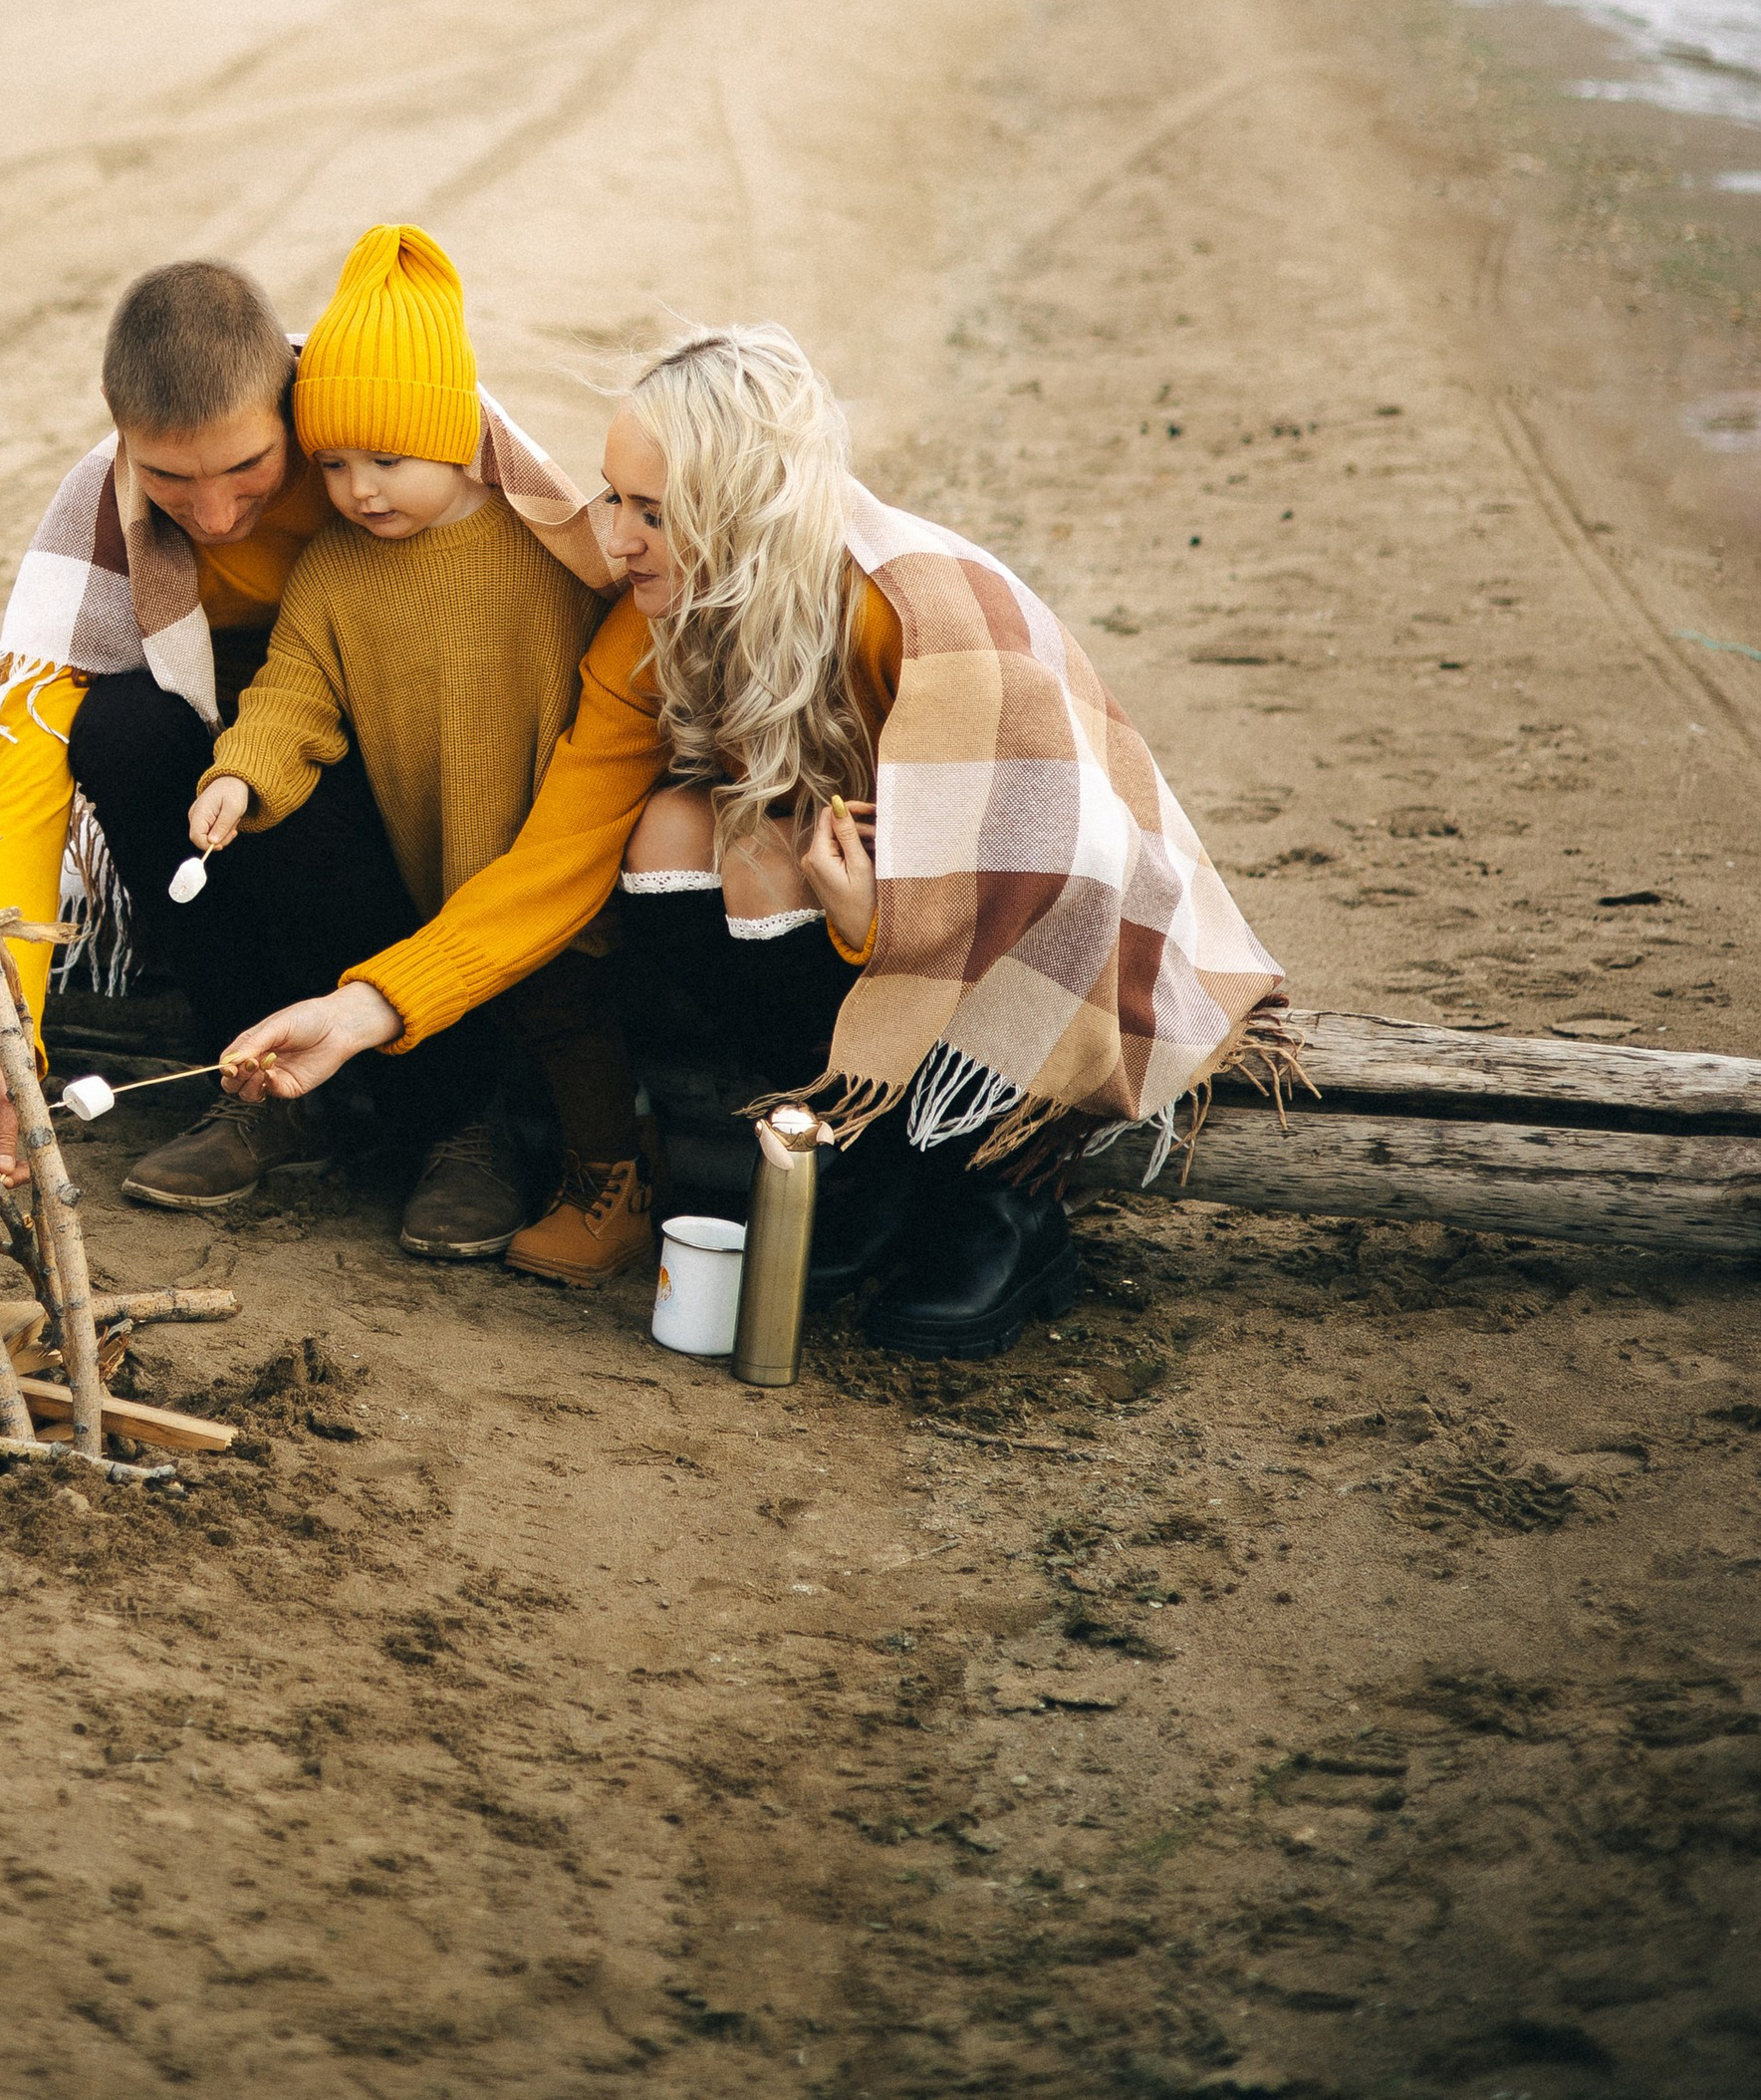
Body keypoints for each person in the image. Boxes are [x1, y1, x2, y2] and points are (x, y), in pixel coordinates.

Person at [220, 321, 1286, 1360]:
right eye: (612, 498)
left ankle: (999, 1200)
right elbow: (550, 865)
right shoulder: (652, 625)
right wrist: (362, 1010)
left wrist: (885, 921)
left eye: (653, 512)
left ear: (747, 514)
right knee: (679, 829)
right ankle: (861, 1159)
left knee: (787, 858)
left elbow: (1060, 866)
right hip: (863, 900)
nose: (611, 540)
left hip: (1032, 921)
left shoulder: (913, 616)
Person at [188, 222, 636, 1275]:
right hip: (415, 853)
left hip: (545, 852)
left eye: (388, 458)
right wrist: (240, 774)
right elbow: (292, 686)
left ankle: (610, 1169)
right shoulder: (335, 570)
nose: (359, 489)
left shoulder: (549, 553)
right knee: (428, 978)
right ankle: (445, 1142)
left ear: (456, 436)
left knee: (569, 1007)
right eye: (334, 463)